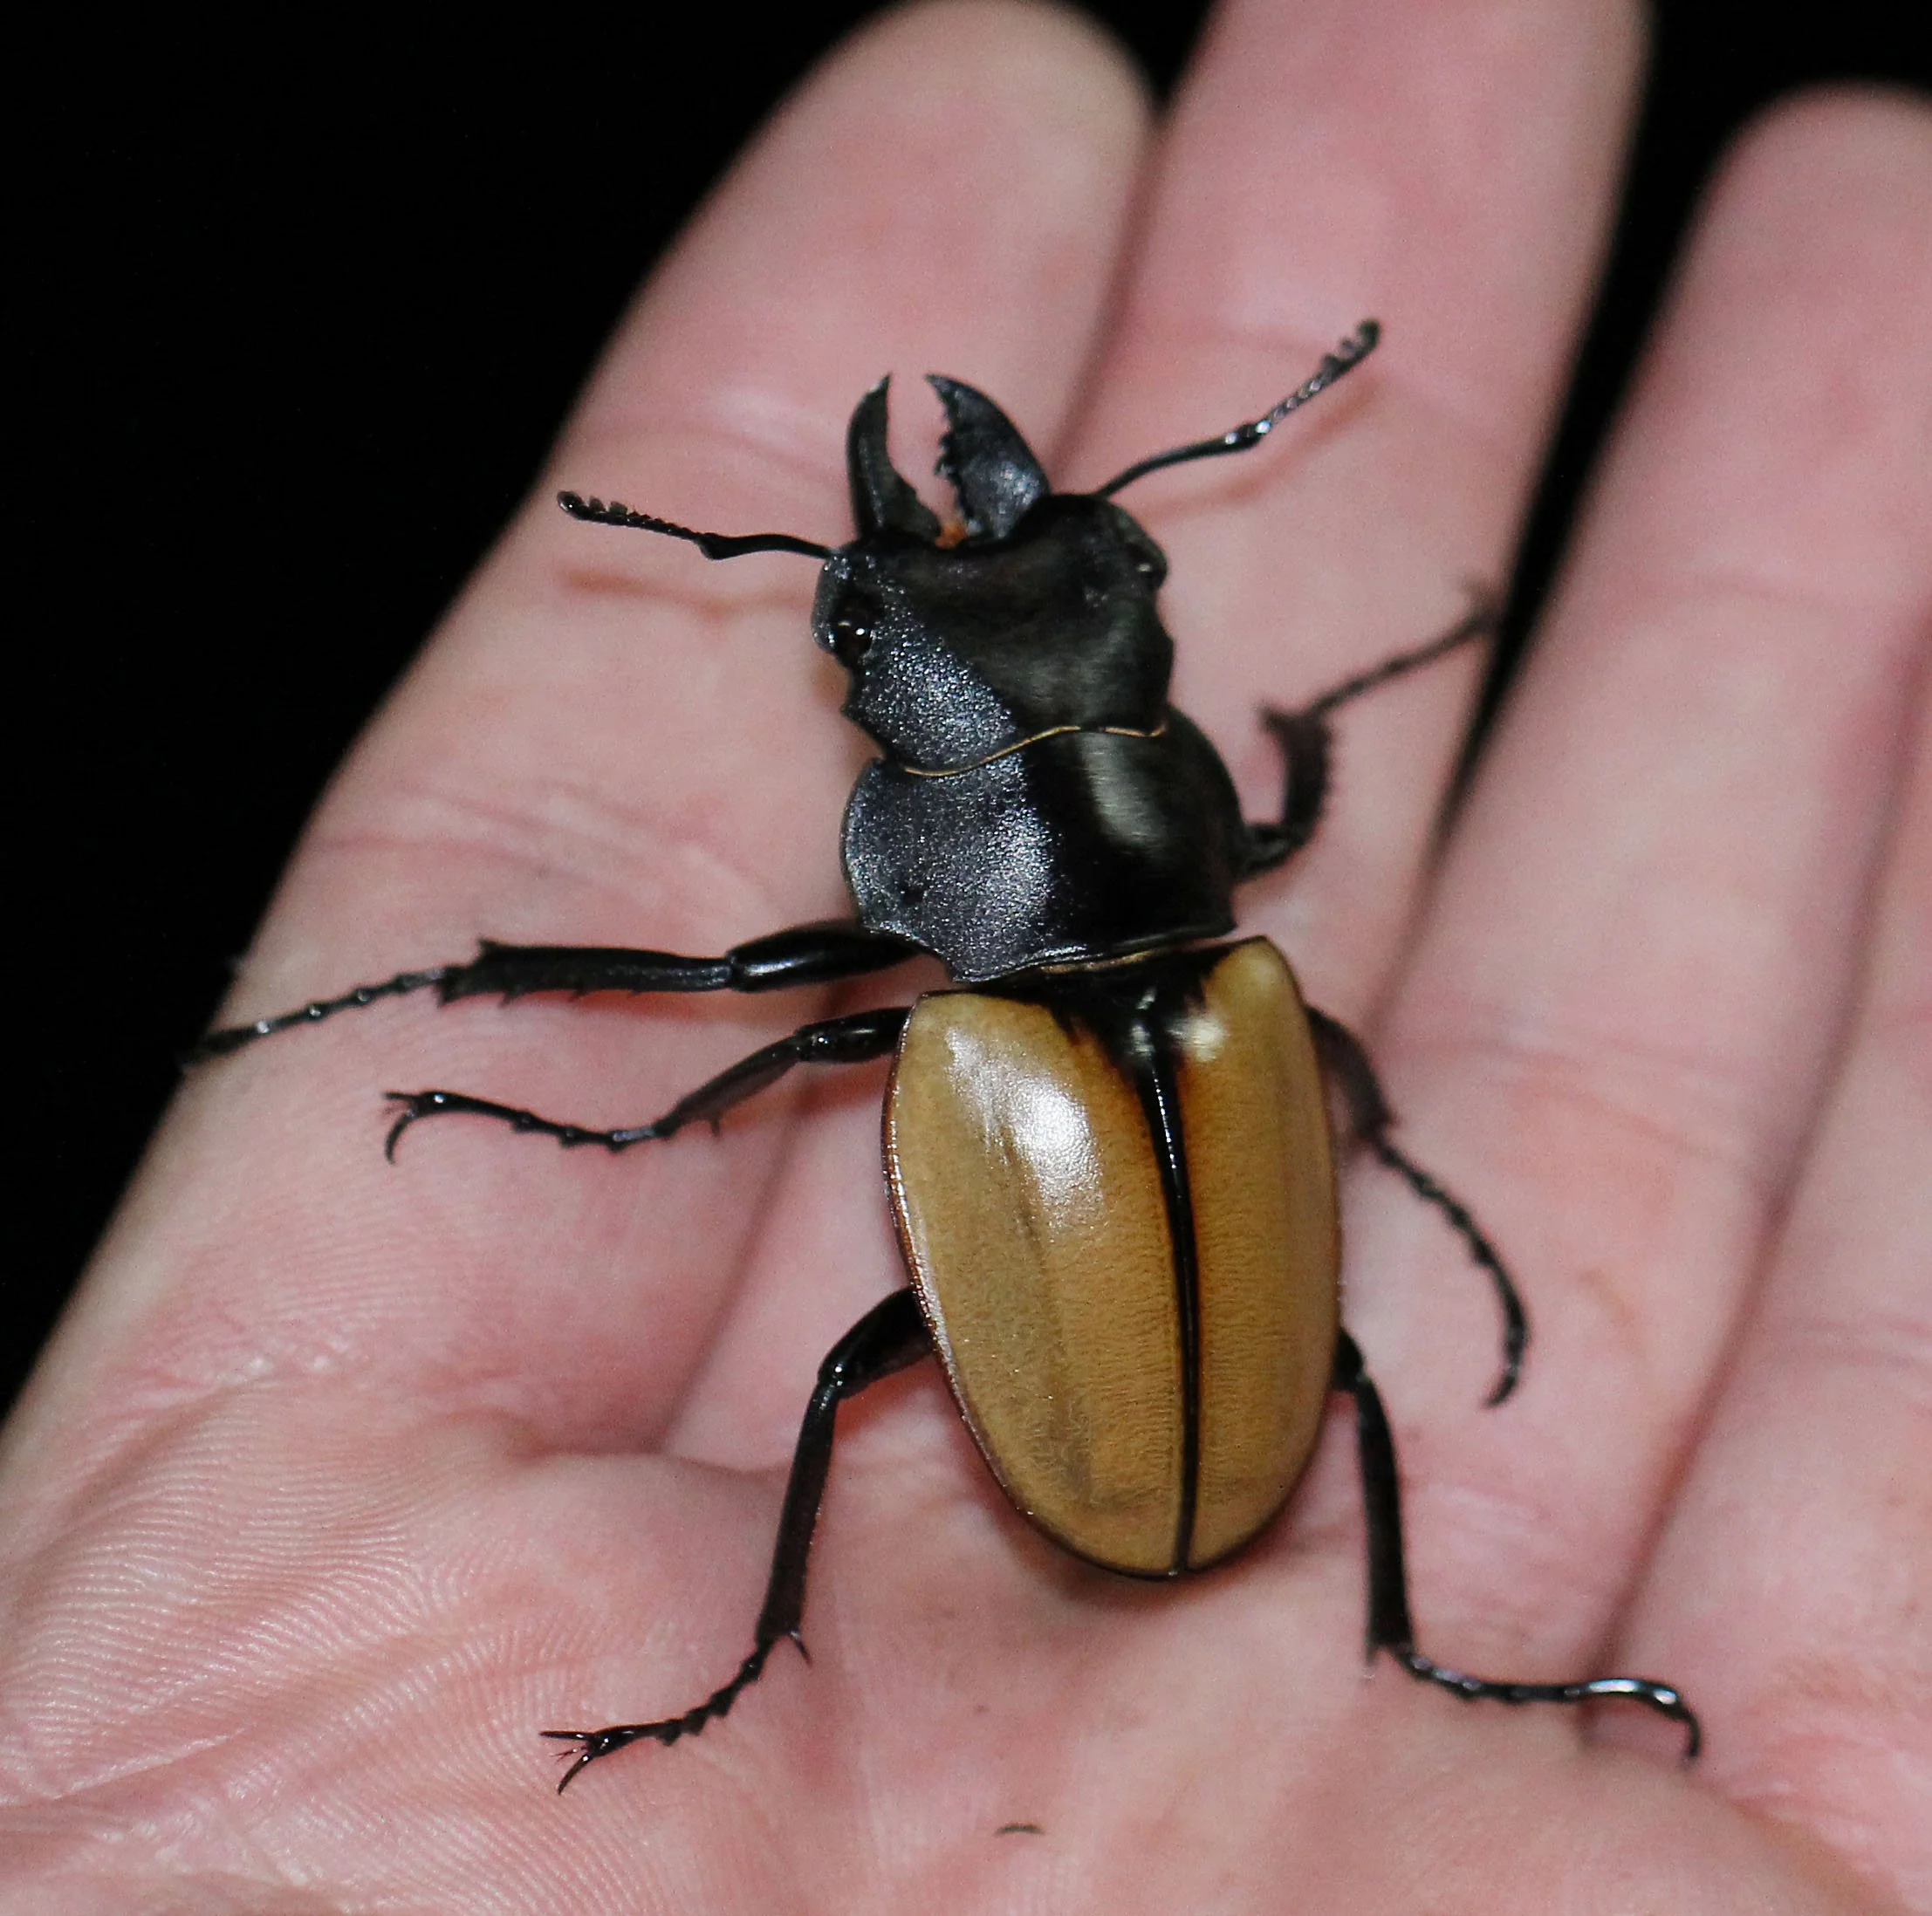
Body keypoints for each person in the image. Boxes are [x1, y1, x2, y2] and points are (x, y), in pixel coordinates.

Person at [3, 2, 1925, 1906]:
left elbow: (752, 1009)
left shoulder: (1054, 1008)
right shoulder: (1258, 971)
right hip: (1170, 1385)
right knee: (1294, 1346)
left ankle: (808, 1644)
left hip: (1135, 1416)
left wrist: (621, 1088)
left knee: (845, 1361)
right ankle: (1374, 1639)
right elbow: (1275, 831)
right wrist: (1335, 779)